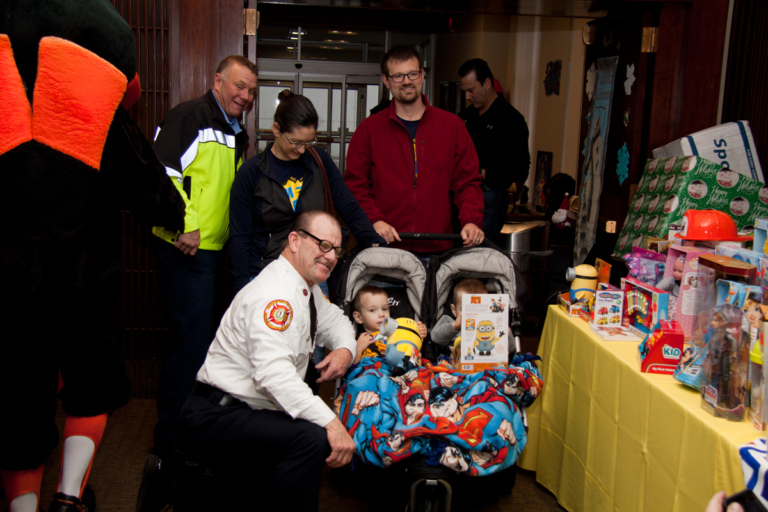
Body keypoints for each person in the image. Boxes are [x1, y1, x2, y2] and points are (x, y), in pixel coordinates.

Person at [177, 210, 356, 511]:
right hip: (216, 416)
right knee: (312, 438)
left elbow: (338, 322)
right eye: (323, 245)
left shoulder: (304, 289)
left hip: (252, 411)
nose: (331, 256)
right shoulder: (276, 296)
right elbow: (273, 376)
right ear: (295, 241)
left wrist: (344, 351)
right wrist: (332, 422)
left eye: (336, 250)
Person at [139, 55, 258, 509]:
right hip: (185, 245)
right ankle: (168, 442)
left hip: (213, 250)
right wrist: (185, 224)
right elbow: (163, 171)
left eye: (250, 90)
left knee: (203, 343)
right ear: (217, 81)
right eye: (239, 87)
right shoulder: (190, 116)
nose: (244, 96)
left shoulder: (234, 129)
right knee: (189, 342)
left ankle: (191, 432)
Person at [230, 90, 383, 295]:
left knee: (316, 326)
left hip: (314, 273)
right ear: (276, 129)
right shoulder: (251, 173)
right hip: (266, 273)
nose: (302, 150)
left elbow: (348, 205)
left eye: (308, 142)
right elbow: (240, 236)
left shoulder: (319, 160)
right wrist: (242, 288)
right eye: (295, 142)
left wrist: (376, 247)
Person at [344, 45, 485, 254]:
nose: (407, 81)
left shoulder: (452, 126)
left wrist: (471, 221)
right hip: (385, 249)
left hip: (437, 249)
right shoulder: (368, 130)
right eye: (398, 76)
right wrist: (374, 220)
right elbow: (355, 186)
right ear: (386, 80)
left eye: (412, 74)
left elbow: (468, 182)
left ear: (421, 75)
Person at [458, 58, 530, 242]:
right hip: (461, 195)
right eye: (464, 91)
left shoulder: (511, 119)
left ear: (487, 83)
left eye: (471, 90)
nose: (467, 96)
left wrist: (482, 173)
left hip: (490, 196)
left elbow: (520, 169)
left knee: (479, 253)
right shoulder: (466, 117)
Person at [351, 285, 427, 363]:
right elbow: (350, 366)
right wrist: (359, 348)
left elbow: (412, 347)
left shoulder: (397, 332)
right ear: (359, 318)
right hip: (372, 370)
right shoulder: (359, 340)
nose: (381, 314)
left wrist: (418, 333)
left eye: (385, 309)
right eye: (372, 310)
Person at [431, 278, 487, 347]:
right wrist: (454, 326)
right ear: (454, 310)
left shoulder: (489, 324)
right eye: (466, 310)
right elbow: (435, 337)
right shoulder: (449, 321)